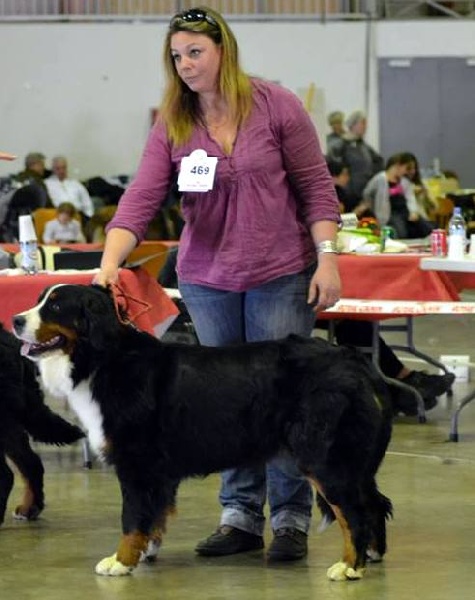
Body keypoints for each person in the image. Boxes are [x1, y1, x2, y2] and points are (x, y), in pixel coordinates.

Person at [94, 6, 341, 562]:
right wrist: (110, 261)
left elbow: (316, 188)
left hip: (281, 272)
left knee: (281, 400)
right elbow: (141, 196)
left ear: (223, 50)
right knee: (224, 405)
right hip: (207, 279)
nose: (184, 64)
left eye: (194, 52)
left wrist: (328, 259)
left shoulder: (278, 104)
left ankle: (292, 519)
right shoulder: (174, 121)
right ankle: (239, 517)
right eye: (176, 56)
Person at [361, 153, 434, 239]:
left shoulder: (404, 181)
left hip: (404, 212)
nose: (407, 172)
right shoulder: (380, 179)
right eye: (406, 168)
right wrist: (371, 206)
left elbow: (410, 198)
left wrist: (413, 211)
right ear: (397, 166)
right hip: (390, 214)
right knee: (401, 231)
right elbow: (367, 193)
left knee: (425, 227)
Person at [328, 110, 384, 206]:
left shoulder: (364, 146)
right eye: (363, 123)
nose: (366, 126)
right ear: (353, 125)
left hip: (365, 193)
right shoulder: (340, 145)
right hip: (348, 195)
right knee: (351, 219)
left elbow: (379, 162)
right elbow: (334, 168)